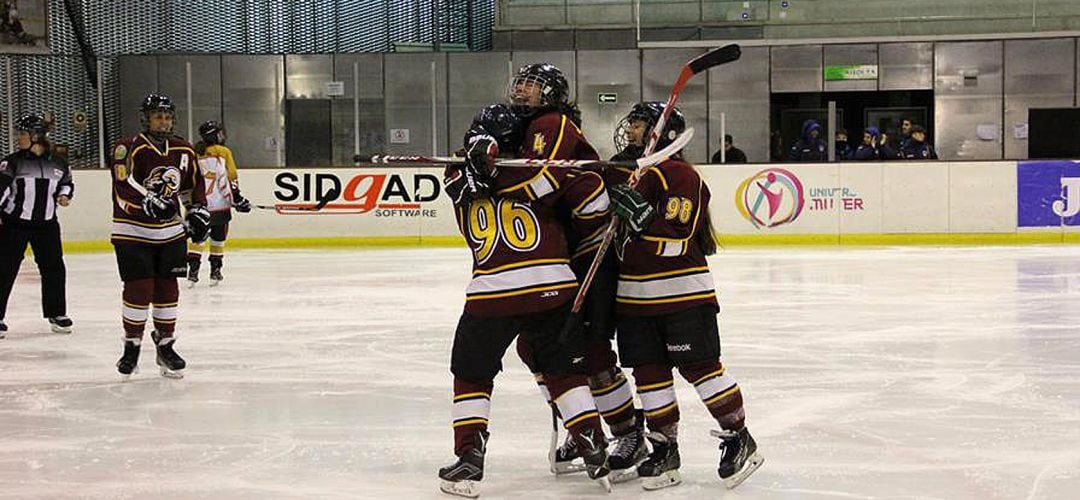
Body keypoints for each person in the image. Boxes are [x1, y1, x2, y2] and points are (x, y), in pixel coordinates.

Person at [438, 93, 613, 498]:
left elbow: (460, 182)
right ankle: (591, 442)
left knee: (472, 375)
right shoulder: (537, 172)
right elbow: (591, 207)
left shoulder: (457, 173)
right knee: (563, 371)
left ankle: (469, 455)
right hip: (553, 288)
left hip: (492, 292)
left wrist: (475, 163)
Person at [606, 102, 763, 491]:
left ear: (666, 134)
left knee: (701, 370)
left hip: (682, 297)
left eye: (641, 125)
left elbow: (676, 235)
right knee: (648, 375)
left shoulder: (680, 174)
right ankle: (664, 448)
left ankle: (740, 437)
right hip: (633, 300)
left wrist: (642, 218)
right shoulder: (632, 174)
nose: (632, 131)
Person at [109, 94, 209, 379]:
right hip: (132, 232)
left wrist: (197, 211)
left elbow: (192, 187)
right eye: (157, 116)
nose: (163, 121)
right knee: (139, 289)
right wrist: (146, 202)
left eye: (166, 116)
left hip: (170, 234)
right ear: (146, 119)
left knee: (167, 289)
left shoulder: (184, 149)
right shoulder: (128, 147)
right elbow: (122, 185)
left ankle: (165, 345)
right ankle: (132, 346)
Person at [0, 114, 74, 338]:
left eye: (22, 133)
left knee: (54, 268)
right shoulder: (12, 162)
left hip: (47, 225)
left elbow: (67, 184)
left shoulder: (59, 162)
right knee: (4, 269)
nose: (18, 138)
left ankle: (57, 313)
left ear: (36, 136)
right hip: (15, 224)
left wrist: (64, 196)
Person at [187, 120, 251, 286]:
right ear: (214, 135)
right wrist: (237, 198)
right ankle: (215, 270)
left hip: (199, 205)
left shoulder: (194, 152)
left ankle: (193, 269)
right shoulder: (223, 152)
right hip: (220, 205)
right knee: (218, 238)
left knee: (198, 238)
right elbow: (229, 177)